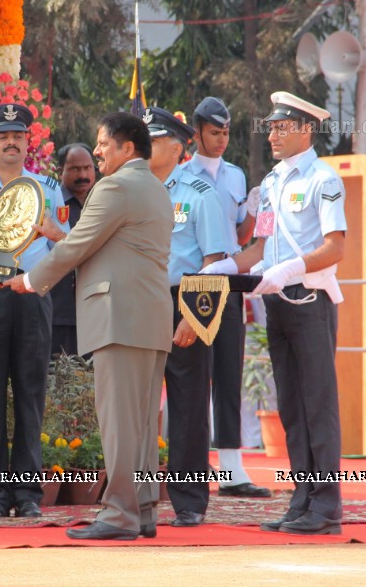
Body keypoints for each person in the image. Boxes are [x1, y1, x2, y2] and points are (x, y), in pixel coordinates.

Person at [7, 111, 173, 541]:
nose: (97, 151)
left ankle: (119, 514)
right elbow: (108, 245)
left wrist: (30, 279)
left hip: (118, 316)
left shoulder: (114, 186)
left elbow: (82, 245)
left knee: (119, 422)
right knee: (140, 423)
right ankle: (144, 509)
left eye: (103, 143)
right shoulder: (155, 187)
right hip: (149, 318)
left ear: (127, 148)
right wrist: (61, 239)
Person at [202, 91, 347, 535]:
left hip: (309, 298)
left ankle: (327, 504)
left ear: (306, 129)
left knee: (317, 403)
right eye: (271, 128)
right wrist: (227, 266)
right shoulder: (268, 185)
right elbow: (260, 249)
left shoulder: (325, 179)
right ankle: (302, 498)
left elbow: (335, 245)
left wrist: (291, 268)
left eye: (282, 128)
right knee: (290, 406)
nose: (273, 135)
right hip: (275, 300)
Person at [0, 103, 67, 519]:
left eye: (19, 135)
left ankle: (27, 492)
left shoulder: (48, 187)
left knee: (30, 393)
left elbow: (67, 245)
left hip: (32, 294)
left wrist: (55, 233)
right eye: (2, 136)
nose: (12, 142)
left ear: (29, 141)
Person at [183, 96, 269, 498]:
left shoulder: (234, 176)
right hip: (192, 286)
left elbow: (240, 238)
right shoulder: (179, 176)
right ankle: (192, 467)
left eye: (226, 133)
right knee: (193, 378)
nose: (221, 140)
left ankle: (232, 470)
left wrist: (252, 210)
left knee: (229, 373)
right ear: (196, 133)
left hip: (228, 285)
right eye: (214, 132)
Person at [144, 107, 227, 527]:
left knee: (189, 407)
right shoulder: (132, 188)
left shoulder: (200, 193)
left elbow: (215, 263)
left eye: (153, 140)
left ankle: (190, 500)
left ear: (176, 148)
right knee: (137, 404)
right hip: (140, 300)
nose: (144, 147)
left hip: (186, 299)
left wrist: (194, 318)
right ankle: (136, 496)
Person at [50, 142, 96, 357]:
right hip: (59, 312)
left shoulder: (104, 203)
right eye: (76, 169)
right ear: (61, 171)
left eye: (88, 168)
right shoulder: (50, 204)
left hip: (97, 312)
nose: (83, 175)